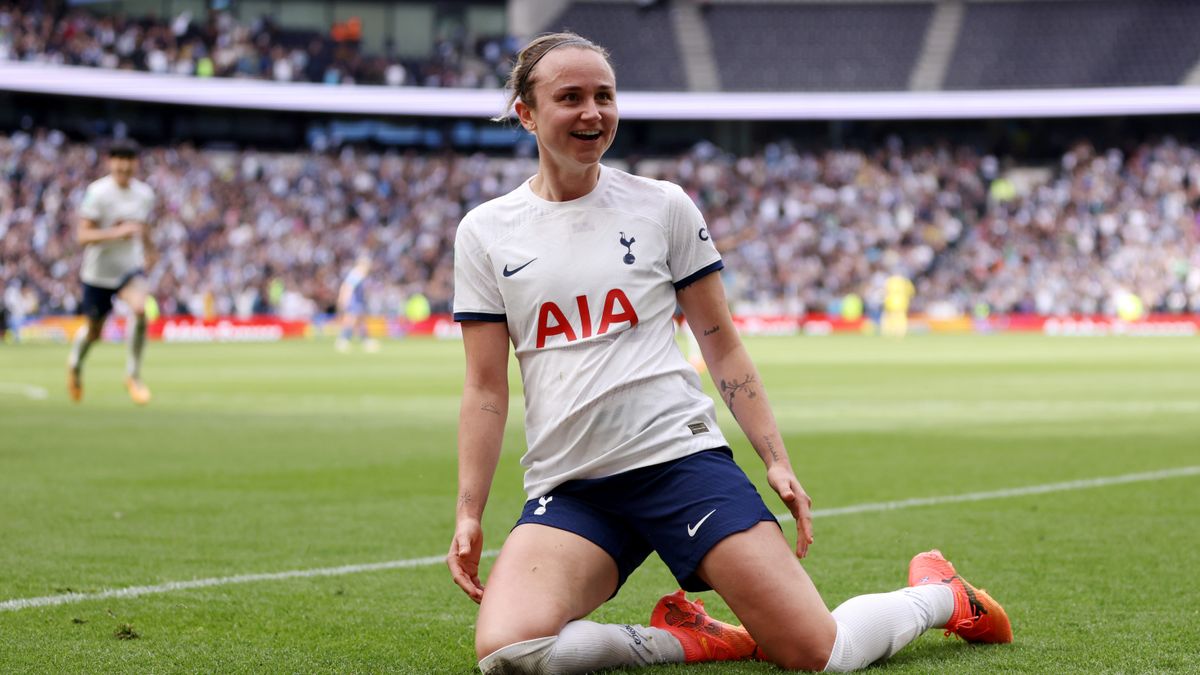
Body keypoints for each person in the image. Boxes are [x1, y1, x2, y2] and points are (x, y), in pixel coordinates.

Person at [447, 32, 1011, 674]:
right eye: (569, 97)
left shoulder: (661, 206)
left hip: (679, 461)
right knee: (508, 653)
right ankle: (689, 640)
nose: (592, 113)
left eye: (604, 95)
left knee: (817, 653)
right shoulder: (486, 231)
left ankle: (940, 594)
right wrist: (469, 514)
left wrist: (775, 459)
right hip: (573, 483)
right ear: (526, 112)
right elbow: (486, 389)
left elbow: (720, 342)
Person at [67, 139, 157, 405]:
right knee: (94, 332)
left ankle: (133, 375)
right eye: (118, 158)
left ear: (135, 164)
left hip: (129, 268)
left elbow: (143, 226)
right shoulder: (97, 193)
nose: (123, 165)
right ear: (110, 162)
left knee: (141, 309)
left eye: (128, 159)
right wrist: (117, 232)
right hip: (97, 274)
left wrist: (150, 250)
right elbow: (82, 236)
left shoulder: (144, 194)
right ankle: (74, 364)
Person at [334, 254, 379, 353]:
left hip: (358, 301)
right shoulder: (357, 273)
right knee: (351, 319)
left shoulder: (360, 274)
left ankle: (365, 340)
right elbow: (348, 286)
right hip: (353, 301)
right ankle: (343, 339)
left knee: (359, 321)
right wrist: (344, 299)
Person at [880, 272, 915, 338]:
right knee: (901, 317)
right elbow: (911, 292)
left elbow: (884, 291)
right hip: (902, 302)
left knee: (889, 316)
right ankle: (900, 332)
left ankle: (888, 331)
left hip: (890, 301)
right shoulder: (905, 281)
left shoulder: (889, 281)